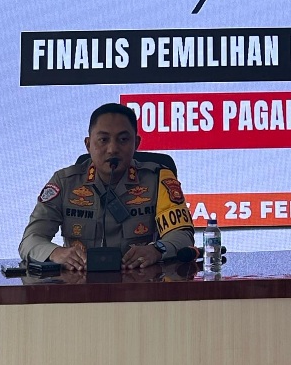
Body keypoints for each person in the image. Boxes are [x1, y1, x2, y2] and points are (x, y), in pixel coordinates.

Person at [19, 103, 195, 271]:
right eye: (103, 140)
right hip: (81, 283)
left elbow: (182, 235)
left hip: (141, 282)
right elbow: (31, 239)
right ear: (88, 144)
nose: (112, 149)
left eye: (123, 139)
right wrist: (56, 253)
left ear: (136, 143)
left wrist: (157, 249)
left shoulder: (157, 180)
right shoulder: (64, 182)